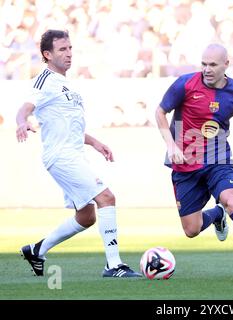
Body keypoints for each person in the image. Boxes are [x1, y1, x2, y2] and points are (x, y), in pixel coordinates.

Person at [16, 29, 140, 278]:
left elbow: (68, 126)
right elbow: (24, 108)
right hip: (61, 157)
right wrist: (21, 121)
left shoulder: (67, 85)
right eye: (62, 49)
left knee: (86, 216)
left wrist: (94, 142)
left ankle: (37, 250)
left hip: (73, 154)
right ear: (47, 54)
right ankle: (113, 265)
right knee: (106, 197)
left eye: (70, 48)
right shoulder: (44, 80)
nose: (69, 53)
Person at [155, 43, 233, 279]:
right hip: (185, 163)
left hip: (218, 159)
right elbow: (159, 112)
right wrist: (171, 145)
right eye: (204, 64)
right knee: (192, 229)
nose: (207, 69)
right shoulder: (185, 84)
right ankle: (217, 215)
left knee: (232, 200)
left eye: (213, 65)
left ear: (226, 65)